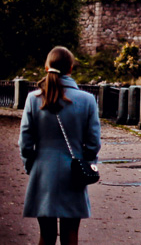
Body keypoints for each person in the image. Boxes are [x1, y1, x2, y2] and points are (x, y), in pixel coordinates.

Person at [19, 46, 102, 245]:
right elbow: (93, 142)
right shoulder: (87, 100)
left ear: (47, 68)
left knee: (46, 235)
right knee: (70, 234)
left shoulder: (34, 99)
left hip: (42, 171)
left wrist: (31, 165)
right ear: (70, 69)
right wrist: (88, 164)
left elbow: (25, 141)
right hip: (73, 173)